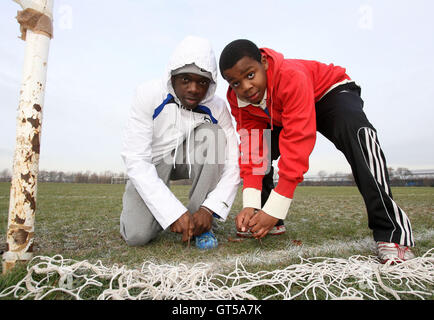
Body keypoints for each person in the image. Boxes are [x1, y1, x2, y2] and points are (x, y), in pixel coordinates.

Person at [218, 39, 415, 263]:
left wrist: (278, 206)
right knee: (259, 144)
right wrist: (250, 204)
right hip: (280, 111)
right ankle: (263, 218)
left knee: (357, 133)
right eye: (236, 83)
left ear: (263, 62)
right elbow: (253, 148)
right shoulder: (238, 99)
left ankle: (393, 231)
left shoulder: (290, 76)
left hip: (328, 93)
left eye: (250, 75)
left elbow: (298, 140)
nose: (245, 87)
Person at [120, 36, 240, 249]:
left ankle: (200, 222)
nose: (194, 89)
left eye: (202, 82)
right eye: (185, 80)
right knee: (137, 235)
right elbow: (136, 159)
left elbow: (232, 161)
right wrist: (171, 212)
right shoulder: (147, 94)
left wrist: (209, 208)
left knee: (213, 135)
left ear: (210, 83)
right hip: (154, 163)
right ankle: (161, 217)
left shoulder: (218, 107)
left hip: (188, 157)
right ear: (172, 77)